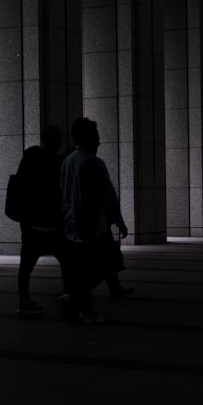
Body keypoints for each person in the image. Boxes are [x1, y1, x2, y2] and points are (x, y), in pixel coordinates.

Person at [59, 117, 129, 324]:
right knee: (105, 264)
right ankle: (81, 305)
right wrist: (119, 220)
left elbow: (62, 193)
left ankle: (78, 300)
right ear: (89, 138)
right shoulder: (94, 162)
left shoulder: (68, 161)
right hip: (93, 224)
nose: (99, 142)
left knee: (87, 267)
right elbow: (107, 194)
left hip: (72, 223)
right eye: (97, 137)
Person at [13, 125, 66, 316]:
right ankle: (69, 297)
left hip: (30, 222)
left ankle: (24, 299)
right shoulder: (58, 162)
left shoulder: (29, 156)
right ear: (57, 141)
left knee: (26, 263)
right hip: (52, 223)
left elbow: (19, 185)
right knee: (67, 262)